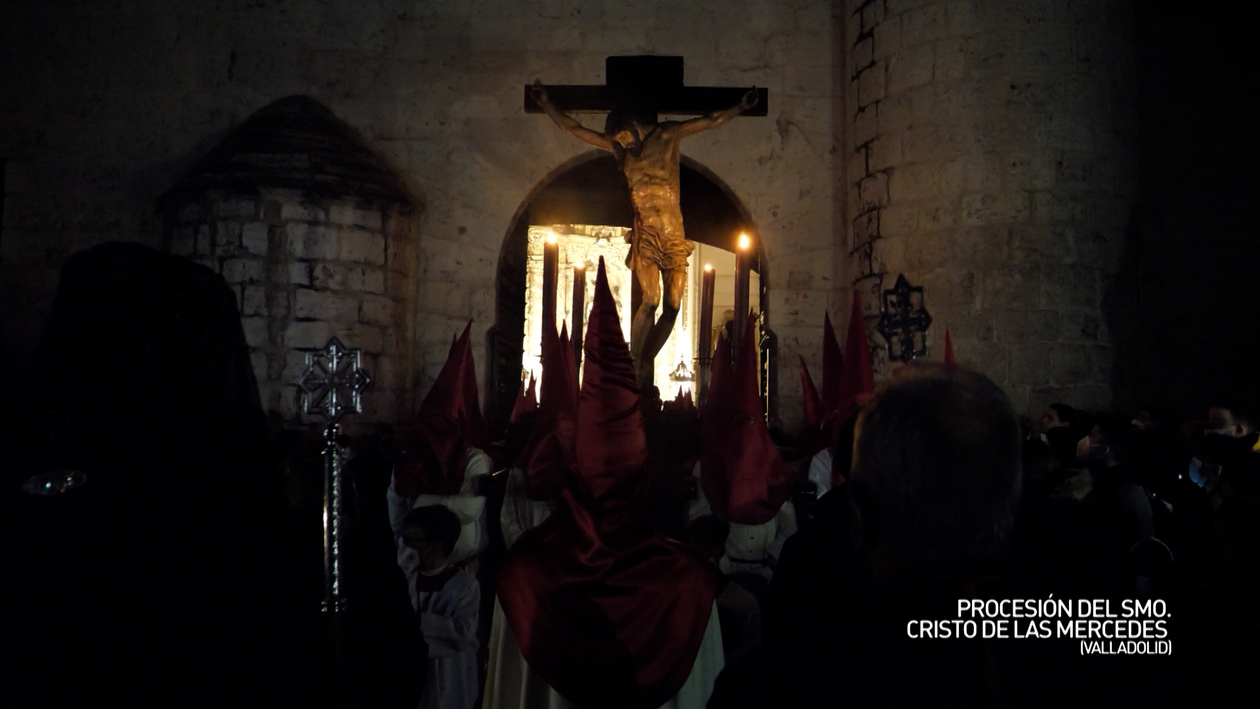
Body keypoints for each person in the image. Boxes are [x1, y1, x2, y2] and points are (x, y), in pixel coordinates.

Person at [532, 80, 757, 387]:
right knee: (650, 299)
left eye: (624, 138)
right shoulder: (619, 150)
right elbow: (574, 129)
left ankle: (646, 358)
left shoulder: (667, 135)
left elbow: (709, 121)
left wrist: (740, 106)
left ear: (634, 125)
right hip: (646, 235)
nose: (621, 147)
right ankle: (636, 366)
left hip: (673, 235)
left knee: (673, 306)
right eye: (617, 143)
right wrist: (546, 105)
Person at [402, 505, 480, 709]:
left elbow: (464, 632)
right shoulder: (405, 579)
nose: (407, 546)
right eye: (405, 539)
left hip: (450, 676)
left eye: (414, 540)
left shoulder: (464, 585)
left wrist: (417, 621)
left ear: (437, 544)